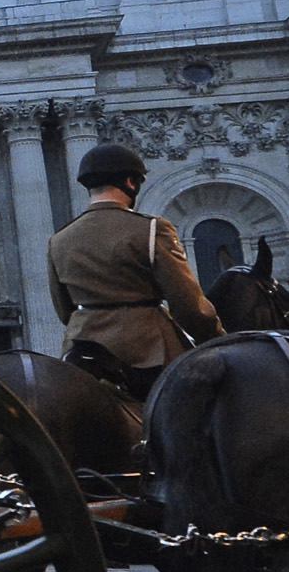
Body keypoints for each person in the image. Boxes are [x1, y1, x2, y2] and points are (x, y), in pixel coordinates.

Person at [44, 142, 221, 401]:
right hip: (147, 352)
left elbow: (63, 309)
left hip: (80, 351)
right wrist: (217, 337)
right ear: (131, 182)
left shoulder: (59, 239)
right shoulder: (151, 229)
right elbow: (187, 305)